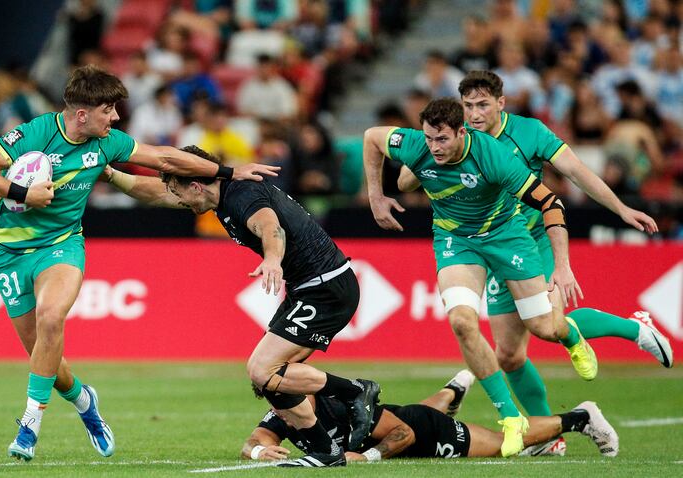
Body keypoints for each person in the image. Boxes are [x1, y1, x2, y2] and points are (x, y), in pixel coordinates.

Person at [0, 65, 279, 462]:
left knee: (52, 317)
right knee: (47, 360)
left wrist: (228, 173)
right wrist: (20, 191)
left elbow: (163, 157)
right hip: (6, 256)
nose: (116, 118)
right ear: (82, 114)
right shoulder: (33, 134)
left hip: (60, 246)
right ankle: (84, 401)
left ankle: (29, 426)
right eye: (109, 110)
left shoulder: (108, 143)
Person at [445, 70, 673, 455]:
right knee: (509, 354)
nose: (474, 113)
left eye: (483, 104)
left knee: (548, 327)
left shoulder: (530, 132)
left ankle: (634, 329)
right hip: (493, 248)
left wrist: (619, 208)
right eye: (468, 106)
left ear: (502, 103)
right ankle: (548, 435)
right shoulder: (461, 140)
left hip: (534, 241)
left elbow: (576, 172)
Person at [115, 145, 381, 467]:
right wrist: (112, 175)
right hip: (309, 288)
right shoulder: (217, 195)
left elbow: (270, 226)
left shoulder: (241, 196)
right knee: (267, 379)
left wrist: (272, 259)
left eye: (179, 192)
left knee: (261, 369)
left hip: (326, 287)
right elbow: (156, 194)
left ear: (196, 185)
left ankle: (355, 392)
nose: (178, 201)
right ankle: (325, 451)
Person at [363, 98, 596, 457]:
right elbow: (371, 137)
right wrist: (376, 198)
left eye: (442, 140)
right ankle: (510, 418)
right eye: (429, 138)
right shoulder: (414, 144)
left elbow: (551, 202)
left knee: (543, 327)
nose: (433, 148)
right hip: (456, 241)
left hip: (506, 236)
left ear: (461, 131)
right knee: (461, 321)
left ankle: (570, 333)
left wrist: (562, 265)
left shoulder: (494, 157)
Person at [241, 370, 619, 462]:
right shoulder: (285, 413)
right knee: (411, 409)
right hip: (405, 415)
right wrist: (260, 452)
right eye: (275, 403)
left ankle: (579, 417)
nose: (280, 411)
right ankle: (453, 390)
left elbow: (403, 433)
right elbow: (254, 441)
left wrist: (368, 457)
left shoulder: (340, 405)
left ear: (308, 392)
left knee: (506, 444)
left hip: (423, 432)